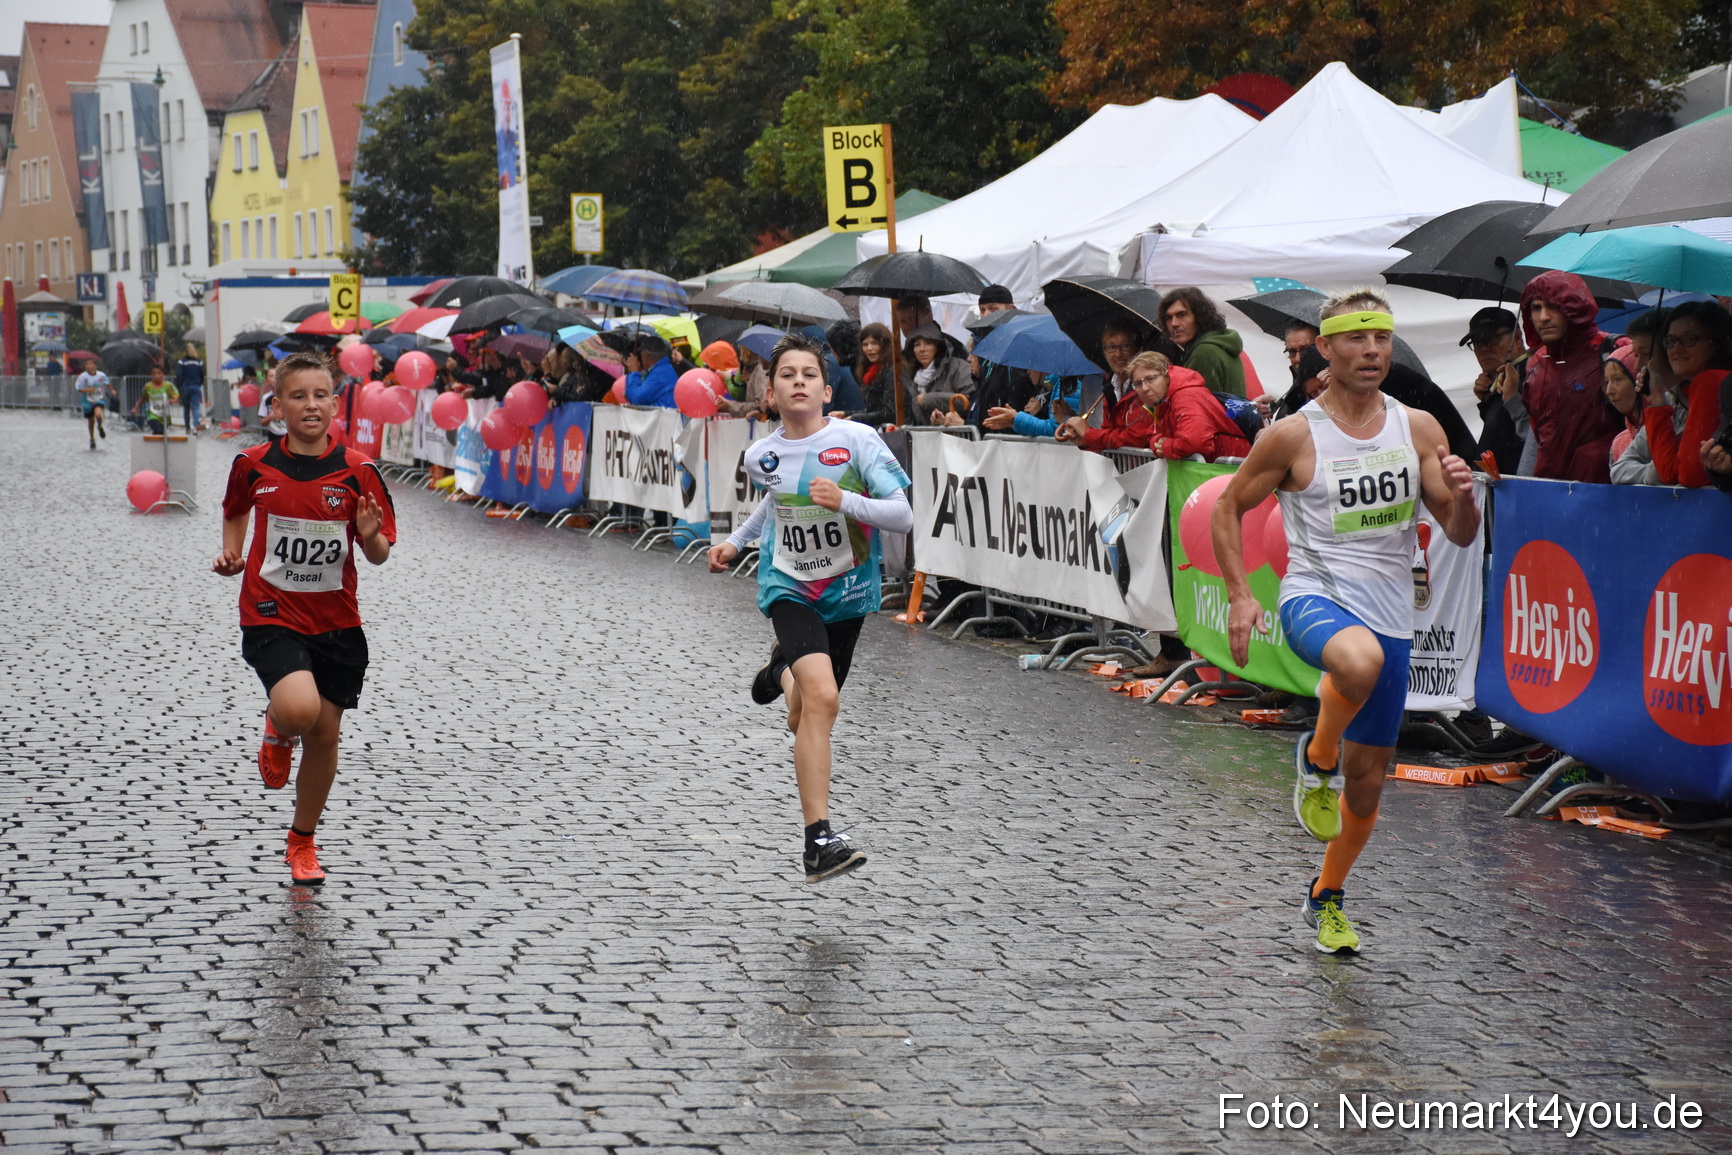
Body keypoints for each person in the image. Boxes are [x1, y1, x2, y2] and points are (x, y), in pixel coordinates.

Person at [1212, 289, 1480, 954]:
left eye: (1381, 338)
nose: (1371, 351)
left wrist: (1466, 496)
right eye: (1356, 339)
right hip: (1314, 595)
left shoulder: (1418, 428)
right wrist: (1242, 593)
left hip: (1392, 612)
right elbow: (1227, 507)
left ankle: (1327, 893)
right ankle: (1317, 750)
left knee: (1366, 785)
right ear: (1324, 350)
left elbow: (1458, 530)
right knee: (1359, 662)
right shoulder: (1293, 434)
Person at [707, 333, 914, 882]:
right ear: (771, 393)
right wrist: (737, 543)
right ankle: (818, 840)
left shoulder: (859, 440)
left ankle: (782, 671)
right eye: (786, 375)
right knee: (825, 699)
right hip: (789, 587)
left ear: (825, 388)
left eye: (808, 374)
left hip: (847, 593)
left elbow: (903, 515)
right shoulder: (761, 455)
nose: (798, 381)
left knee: (805, 712)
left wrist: (845, 500)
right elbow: (774, 507)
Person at [212, 351, 397, 887]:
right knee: (299, 710)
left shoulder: (359, 470)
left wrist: (367, 535)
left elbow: (382, 553)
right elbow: (234, 509)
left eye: (320, 395)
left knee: (325, 736)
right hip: (271, 613)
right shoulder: (253, 463)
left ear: (335, 404)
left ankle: (302, 840)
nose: (310, 405)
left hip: (337, 622)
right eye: (298, 396)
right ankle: (277, 725)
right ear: (277, 405)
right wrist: (232, 553)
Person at [1519, 270, 1625, 484]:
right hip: (1552, 493)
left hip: (1608, 491)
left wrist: (1596, 456)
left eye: (1553, 306)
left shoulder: (1615, 351)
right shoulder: (1536, 365)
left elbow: (1643, 426)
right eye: (1536, 308)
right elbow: (1539, 437)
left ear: (1574, 307)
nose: (1543, 317)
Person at [1641, 301, 1732, 490]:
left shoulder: (1710, 381)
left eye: (1689, 339)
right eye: (1670, 340)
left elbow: (1686, 475)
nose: (1676, 349)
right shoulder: (1703, 385)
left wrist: (1658, 403)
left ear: (1715, 344)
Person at [1121, 351, 1248, 461]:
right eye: (1138, 383)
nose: (1144, 388)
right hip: (1223, 471)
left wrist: (1165, 446)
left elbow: (1195, 442)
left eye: (1151, 379)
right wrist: (1157, 443)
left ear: (1166, 375)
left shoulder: (1185, 396)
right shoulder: (1165, 400)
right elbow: (1152, 434)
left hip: (1233, 470)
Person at [1056, 323, 1153, 450]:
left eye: (1125, 346)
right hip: (1121, 468)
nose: (1118, 354)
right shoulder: (1110, 386)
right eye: (1111, 347)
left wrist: (1089, 434)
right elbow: (1108, 438)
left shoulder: (1145, 385)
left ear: (1136, 350)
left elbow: (1136, 438)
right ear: (1104, 352)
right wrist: (1084, 441)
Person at [1462, 307, 1531, 476]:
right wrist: (1488, 402)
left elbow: (1522, 442)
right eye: (1477, 343)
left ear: (1516, 338)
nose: (1483, 349)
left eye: (1491, 339)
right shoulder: (1503, 381)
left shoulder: (1531, 378)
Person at [1160, 287, 1246, 397]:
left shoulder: (1204, 352)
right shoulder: (1218, 344)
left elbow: (1199, 407)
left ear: (1199, 317)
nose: (1174, 323)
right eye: (1168, 317)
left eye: (1182, 315)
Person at [909, 324, 973, 419]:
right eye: (917, 344)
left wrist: (928, 399)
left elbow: (967, 402)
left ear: (938, 346)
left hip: (955, 433)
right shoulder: (912, 376)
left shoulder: (958, 367)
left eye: (928, 343)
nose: (922, 349)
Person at [1602, 346, 1645, 472]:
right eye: (1607, 382)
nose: (1609, 391)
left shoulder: (1668, 429)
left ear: (1639, 379)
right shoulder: (1619, 442)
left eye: (1618, 379)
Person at [624, 334, 679, 408]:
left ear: (648, 356)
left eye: (641, 355)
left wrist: (634, 372)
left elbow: (637, 399)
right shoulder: (661, 369)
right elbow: (634, 397)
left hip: (663, 418)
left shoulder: (661, 372)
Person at [76, 358, 111, 449]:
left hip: (98, 399)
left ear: (94, 365)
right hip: (87, 402)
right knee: (91, 421)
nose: (88, 366)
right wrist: (88, 389)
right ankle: (92, 438)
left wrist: (113, 390)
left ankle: (99, 426)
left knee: (98, 414)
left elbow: (107, 381)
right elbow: (78, 388)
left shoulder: (101, 375)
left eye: (90, 364)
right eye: (86, 364)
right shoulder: (82, 377)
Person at [133, 366, 179, 434]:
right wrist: (135, 408)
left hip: (163, 414)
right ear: (151, 375)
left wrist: (173, 401)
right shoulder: (148, 386)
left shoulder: (167, 386)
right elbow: (143, 398)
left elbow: (174, 396)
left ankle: (154, 443)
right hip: (151, 414)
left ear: (163, 374)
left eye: (159, 373)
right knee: (158, 429)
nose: (156, 376)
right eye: (154, 374)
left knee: (160, 433)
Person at [176, 344, 207, 431]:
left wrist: (179, 387)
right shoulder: (199, 362)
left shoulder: (182, 362)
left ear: (185, 351)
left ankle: (187, 428)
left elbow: (179, 375)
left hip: (185, 387)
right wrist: (199, 383)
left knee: (186, 408)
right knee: (196, 407)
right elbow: (202, 374)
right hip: (196, 386)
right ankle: (195, 426)